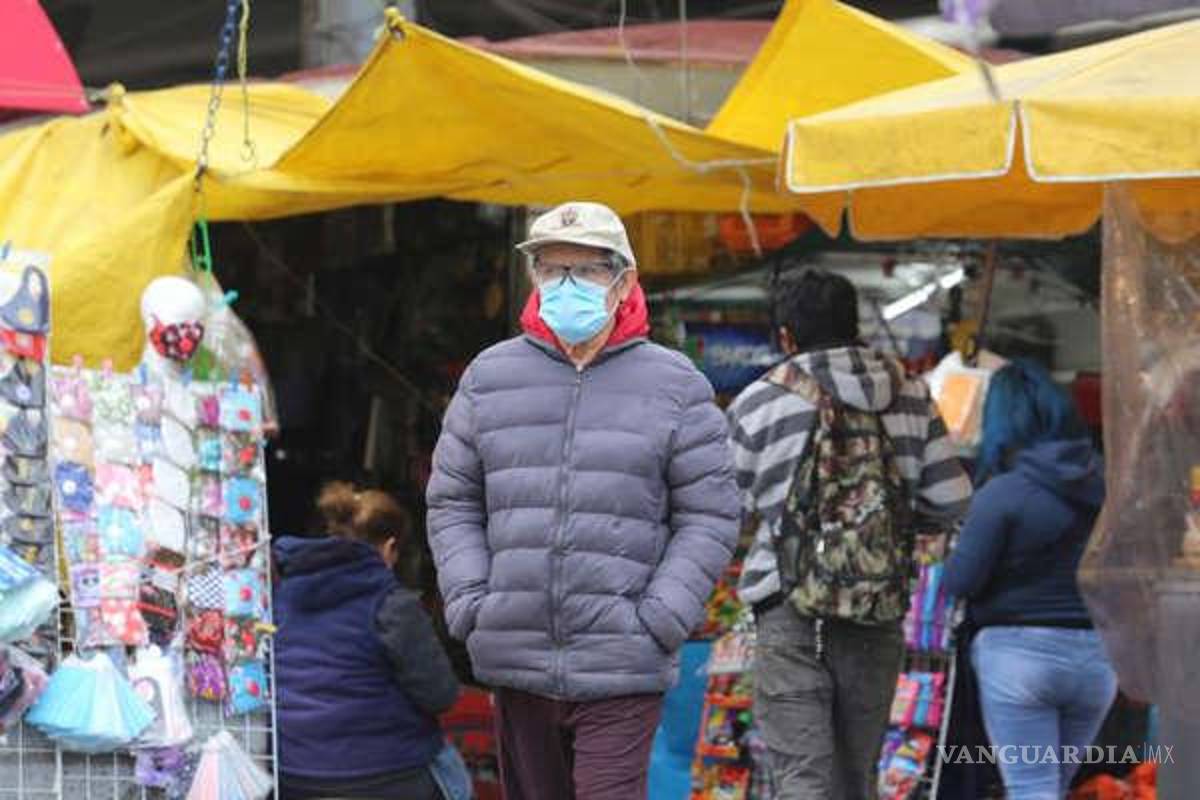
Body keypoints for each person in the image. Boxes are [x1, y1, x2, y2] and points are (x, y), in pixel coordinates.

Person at [427, 201, 740, 800]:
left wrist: (662, 615)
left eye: (587, 271)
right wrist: (471, 599)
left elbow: (710, 513)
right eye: (551, 270)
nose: (566, 285)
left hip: (622, 657)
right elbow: (453, 499)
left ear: (624, 283)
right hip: (516, 651)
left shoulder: (675, 385)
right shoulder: (490, 377)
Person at [727, 270, 972, 800]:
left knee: (802, 780)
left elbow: (726, 515)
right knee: (856, 778)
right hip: (876, 608)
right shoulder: (910, 395)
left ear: (786, 338)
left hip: (787, 608)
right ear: (853, 326)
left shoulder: (757, 403)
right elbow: (953, 500)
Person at [944, 360, 1117, 800]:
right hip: (1097, 659)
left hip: (1019, 658)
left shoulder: (1002, 494)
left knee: (1031, 790)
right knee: (1051, 789)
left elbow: (961, 582)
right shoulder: (1106, 488)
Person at [274, 482, 470, 800]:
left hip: (293, 774)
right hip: (384, 776)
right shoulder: (391, 603)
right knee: (452, 772)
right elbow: (441, 695)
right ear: (390, 548)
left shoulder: (284, 594)